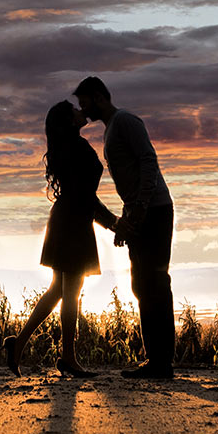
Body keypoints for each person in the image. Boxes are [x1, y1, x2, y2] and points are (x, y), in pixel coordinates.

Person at [72, 75, 176, 379]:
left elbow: (148, 160)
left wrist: (141, 207)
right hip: (140, 213)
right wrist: (127, 220)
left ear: (99, 97)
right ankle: (155, 359)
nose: (84, 109)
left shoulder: (126, 121)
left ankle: (162, 363)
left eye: (85, 102)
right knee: (141, 284)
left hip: (155, 210)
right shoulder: (111, 130)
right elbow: (131, 179)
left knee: (155, 282)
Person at [4, 101, 117, 378]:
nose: (81, 110)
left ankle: (18, 345)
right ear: (69, 121)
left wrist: (110, 222)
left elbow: (85, 195)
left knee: (59, 289)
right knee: (69, 292)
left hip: (69, 220)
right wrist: (114, 223)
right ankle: (67, 357)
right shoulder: (76, 148)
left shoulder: (67, 148)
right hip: (73, 223)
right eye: (74, 110)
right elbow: (86, 196)